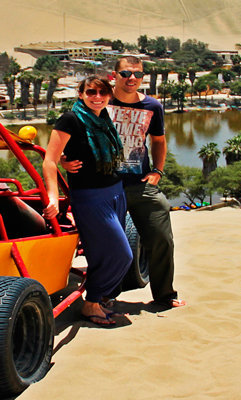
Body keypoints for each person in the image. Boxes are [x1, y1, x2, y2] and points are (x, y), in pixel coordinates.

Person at [64, 56, 184, 308]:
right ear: (114, 76)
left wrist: (158, 171)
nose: (132, 79)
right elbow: (70, 135)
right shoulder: (99, 101)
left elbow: (159, 140)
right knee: (107, 246)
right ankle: (105, 297)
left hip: (139, 184)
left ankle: (164, 296)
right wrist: (64, 161)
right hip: (103, 187)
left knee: (161, 236)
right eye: (126, 74)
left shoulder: (153, 106)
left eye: (138, 75)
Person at [42, 76, 133, 326]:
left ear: (109, 95)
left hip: (115, 192)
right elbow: (49, 160)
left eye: (102, 92)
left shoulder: (104, 117)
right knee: (122, 255)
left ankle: (99, 299)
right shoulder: (70, 119)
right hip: (90, 197)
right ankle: (91, 303)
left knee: (100, 252)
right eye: (91, 92)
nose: (97, 97)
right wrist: (52, 195)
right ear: (80, 93)